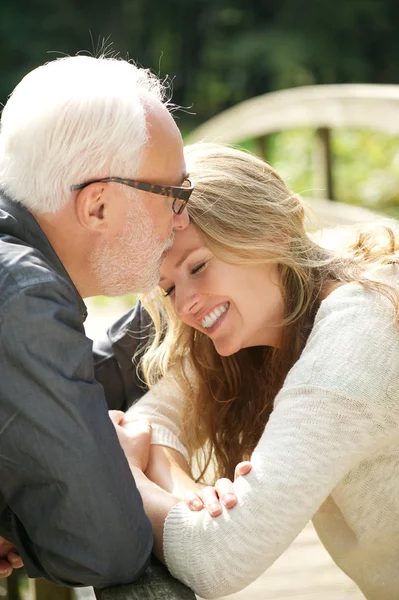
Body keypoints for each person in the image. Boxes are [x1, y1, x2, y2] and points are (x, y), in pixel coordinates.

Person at [112, 143, 399, 600]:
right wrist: (189, 500)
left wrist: (125, 476)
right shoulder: (279, 304)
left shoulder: (357, 340)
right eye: (168, 288)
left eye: (199, 266)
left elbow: (218, 559)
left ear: (269, 232)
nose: (185, 305)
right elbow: (153, 419)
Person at [0, 54, 191, 588]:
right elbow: (105, 548)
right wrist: (120, 464)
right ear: (99, 206)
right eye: (175, 194)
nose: (184, 217)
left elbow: (53, 382)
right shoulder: (23, 295)